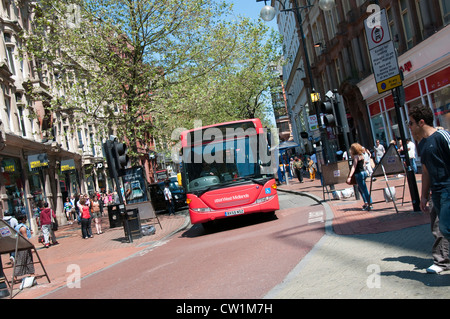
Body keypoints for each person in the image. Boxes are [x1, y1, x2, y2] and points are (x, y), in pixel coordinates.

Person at [409, 105, 450, 241]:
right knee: (445, 229)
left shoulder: (442, 136)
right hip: (436, 192)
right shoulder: (423, 144)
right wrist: (424, 196)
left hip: (447, 189)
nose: (410, 127)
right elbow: (425, 171)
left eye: (411, 123)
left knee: (445, 227)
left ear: (421, 122)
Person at [347, 143, 373, 211]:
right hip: (363, 172)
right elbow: (363, 164)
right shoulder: (361, 155)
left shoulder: (356, 156)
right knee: (360, 189)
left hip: (359, 174)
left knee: (364, 189)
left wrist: (350, 176)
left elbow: (354, 166)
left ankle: (369, 203)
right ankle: (366, 202)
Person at [427, 201, 450, 274]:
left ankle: (442, 261)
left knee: (439, 225)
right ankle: (442, 260)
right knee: (438, 225)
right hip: (437, 192)